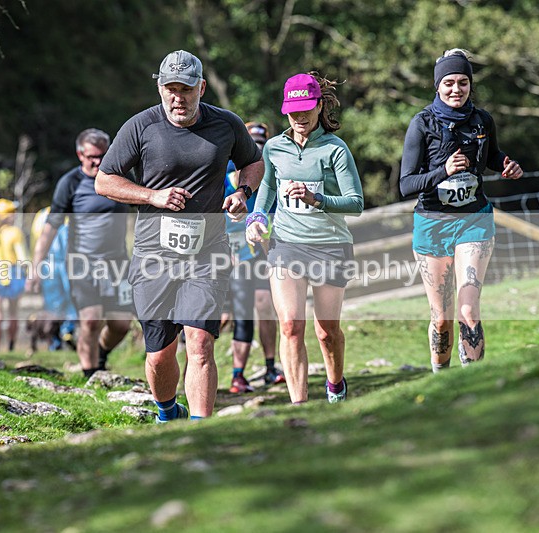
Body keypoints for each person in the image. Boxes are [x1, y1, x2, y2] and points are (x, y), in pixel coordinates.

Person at [95, 50, 264, 421]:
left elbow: (254, 162)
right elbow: (104, 180)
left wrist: (242, 194)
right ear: (159, 88)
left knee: (200, 343)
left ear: (201, 88)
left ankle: (200, 432)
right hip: (154, 255)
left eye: (185, 89)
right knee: (159, 354)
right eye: (170, 88)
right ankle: (168, 410)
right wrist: (151, 196)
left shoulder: (227, 124)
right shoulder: (140, 127)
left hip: (208, 252)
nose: (178, 97)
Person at [399, 48, 523, 372]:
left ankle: (475, 384)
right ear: (437, 85)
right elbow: (406, 184)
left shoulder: (482, 120)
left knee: (468, 310)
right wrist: (444, 172)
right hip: (432, 224)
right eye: (449, 82)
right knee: (441, 319)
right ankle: (443, 381)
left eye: (463, 82)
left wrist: (506, 165)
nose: (457, 89)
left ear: (470, 85)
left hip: (474, 220)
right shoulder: (421, 124)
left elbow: (492, 156)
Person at [246, 72, 364, 404]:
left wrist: (317, 199)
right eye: (292, 110)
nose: (299, 117)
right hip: (285, 245)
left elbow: (356, 203)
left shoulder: (335, 149)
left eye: (305, 109)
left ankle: (335, 384)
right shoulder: (274, 147)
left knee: (326, 333)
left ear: (319, 106)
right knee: (290, 327)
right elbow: (266, 192)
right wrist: (256, 218)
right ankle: (299, 405)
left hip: (330, 246)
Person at [29, 129, 132, 377]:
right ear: (80, 154)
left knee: (121, 325)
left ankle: (100, 354)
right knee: (91, 320)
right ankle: (90, 375)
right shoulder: (70, 183)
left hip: (117, 263)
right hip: (82, 263)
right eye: (92, 157)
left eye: (103, 155)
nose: (97, 162)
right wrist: (36, 267)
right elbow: (51, 227)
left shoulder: (120, 178)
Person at [222, 122, 284, 393]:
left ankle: (270, 368)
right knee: (241, 312)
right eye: (252, 143)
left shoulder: (268, 176)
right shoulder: (222, 174)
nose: (256, 148)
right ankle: (238, 375)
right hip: (232, 253)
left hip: (261, 249)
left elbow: (277, 213)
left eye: (261, 144)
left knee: (265, 304)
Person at [30, 207, 77, 351]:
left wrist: (35, 266)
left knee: (54, 303)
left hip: (49, 264)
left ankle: (55, 340)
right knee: (70, 299)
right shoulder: (72, 211)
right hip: (66, 262)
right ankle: (66, 331)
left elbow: (36, 242)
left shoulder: (41, 215)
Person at [0, 198, 30, 351]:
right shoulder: (15, 232)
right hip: (14, 272)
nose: (15, 215)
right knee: (13, 311)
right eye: (12, 212)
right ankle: (11, 344)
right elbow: (23, 257)